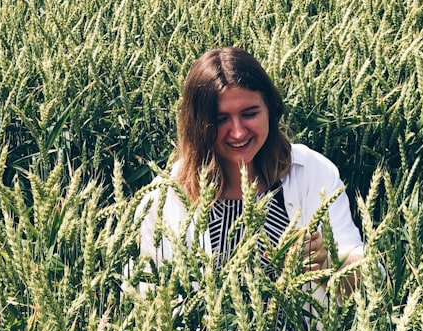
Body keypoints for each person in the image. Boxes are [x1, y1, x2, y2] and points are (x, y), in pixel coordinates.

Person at [137, 47, 364, 299]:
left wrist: (330, 264)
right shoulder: (164, 198)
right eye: (221, 119)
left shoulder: (313, 171)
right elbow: (146, 297)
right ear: (198, 125)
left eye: (249, 114)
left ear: (271, 109)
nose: (238, 132)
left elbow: (369, 274)